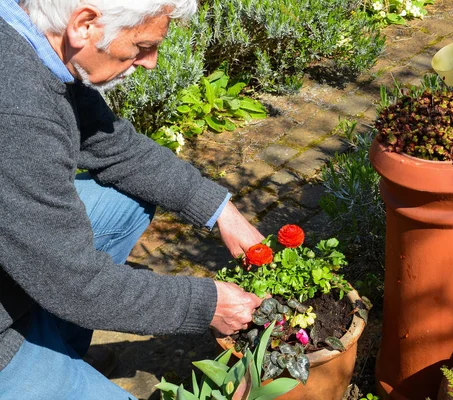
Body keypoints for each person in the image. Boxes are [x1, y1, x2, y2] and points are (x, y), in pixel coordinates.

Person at [0, 1, 266, 398]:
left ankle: (59, 344)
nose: (151, 62)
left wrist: (220, 210)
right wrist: (207, 304)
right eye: (142, 46)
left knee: (126, 202)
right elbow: (77, 283)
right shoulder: (19, 109)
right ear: (85, 24)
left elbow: (114, 146)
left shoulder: (34, 39)